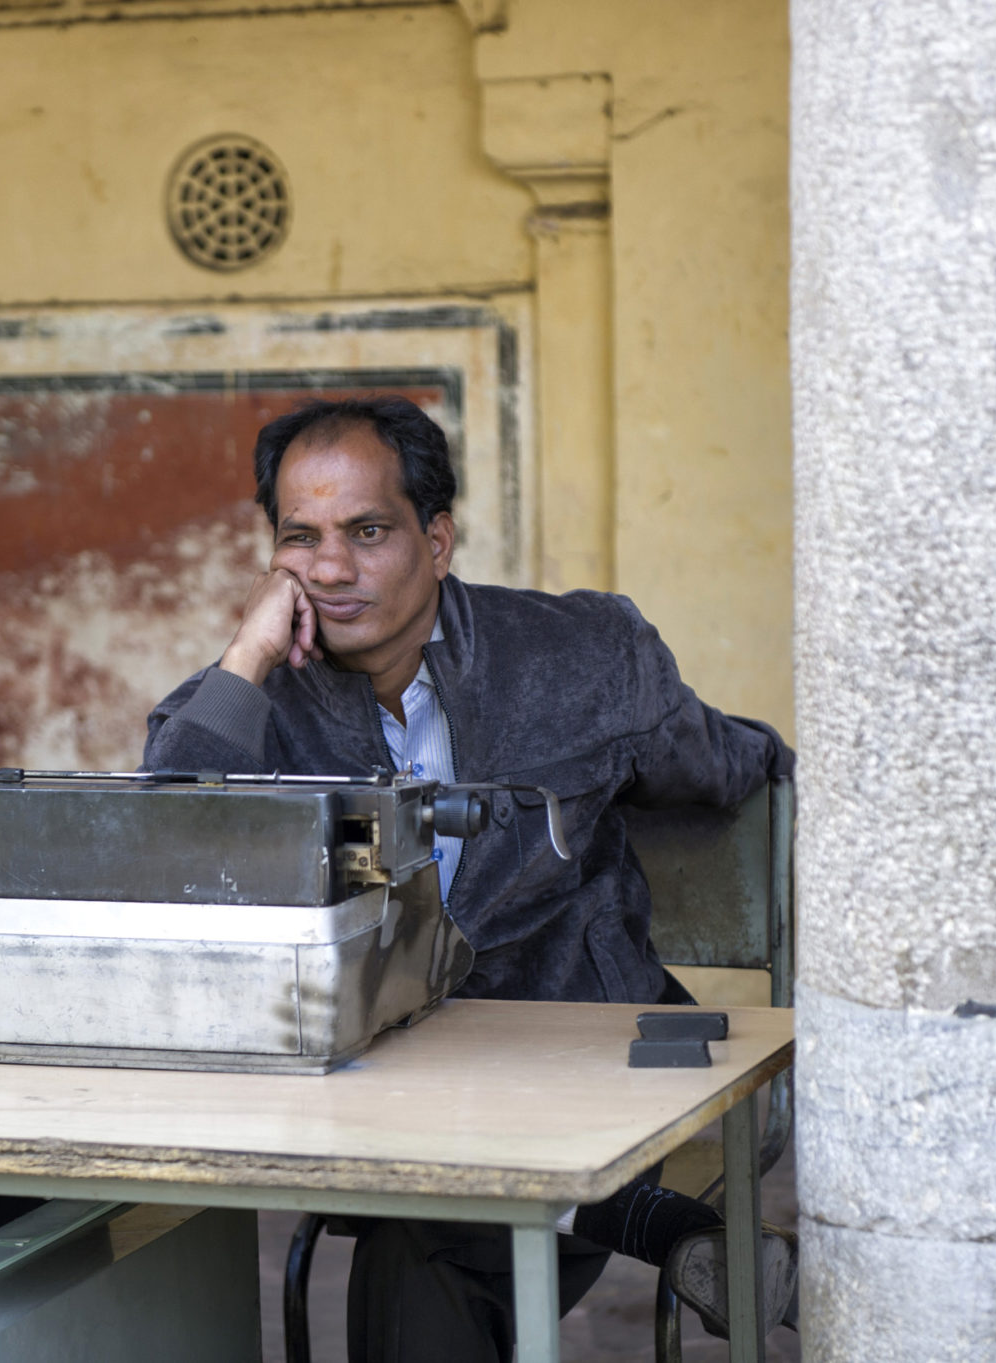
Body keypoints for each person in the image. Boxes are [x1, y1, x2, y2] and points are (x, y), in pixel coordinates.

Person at [143, 396, 798, 1361]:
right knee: (423, 1224)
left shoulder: (581, 659)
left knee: (422, 1245)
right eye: (300, 538)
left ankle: (631, 1213)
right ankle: (649, 1224)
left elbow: (723, 764)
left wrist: (795, 770)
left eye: (368, 531)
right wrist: (246, 652)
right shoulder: (262, 697)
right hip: (375, 1084)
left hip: (574, 1057)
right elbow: (163, 838)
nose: (330, 568)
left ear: (438, 541)